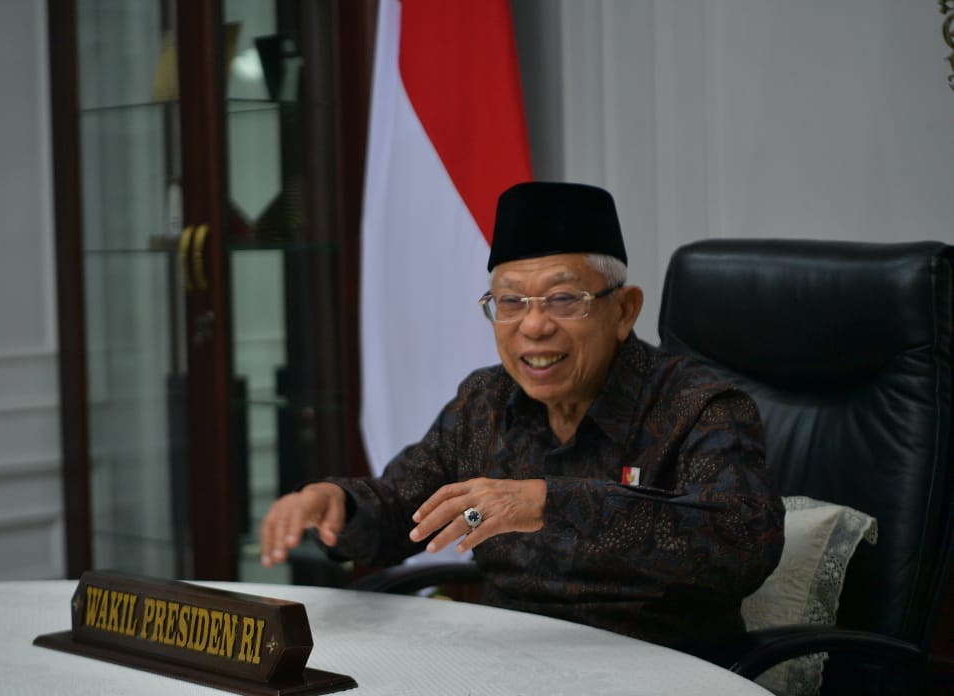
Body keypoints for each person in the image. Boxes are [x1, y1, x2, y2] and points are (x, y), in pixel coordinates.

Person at [260, 181, 785, 655]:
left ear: (624, 311)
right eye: (511, 302)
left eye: (563, 299)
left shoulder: (698, 406)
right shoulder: (485, 402)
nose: (533, 326)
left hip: (658, 667)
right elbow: (404, 511)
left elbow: (743, 543)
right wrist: (337, 504)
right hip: (509, 663)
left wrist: (551, 503)